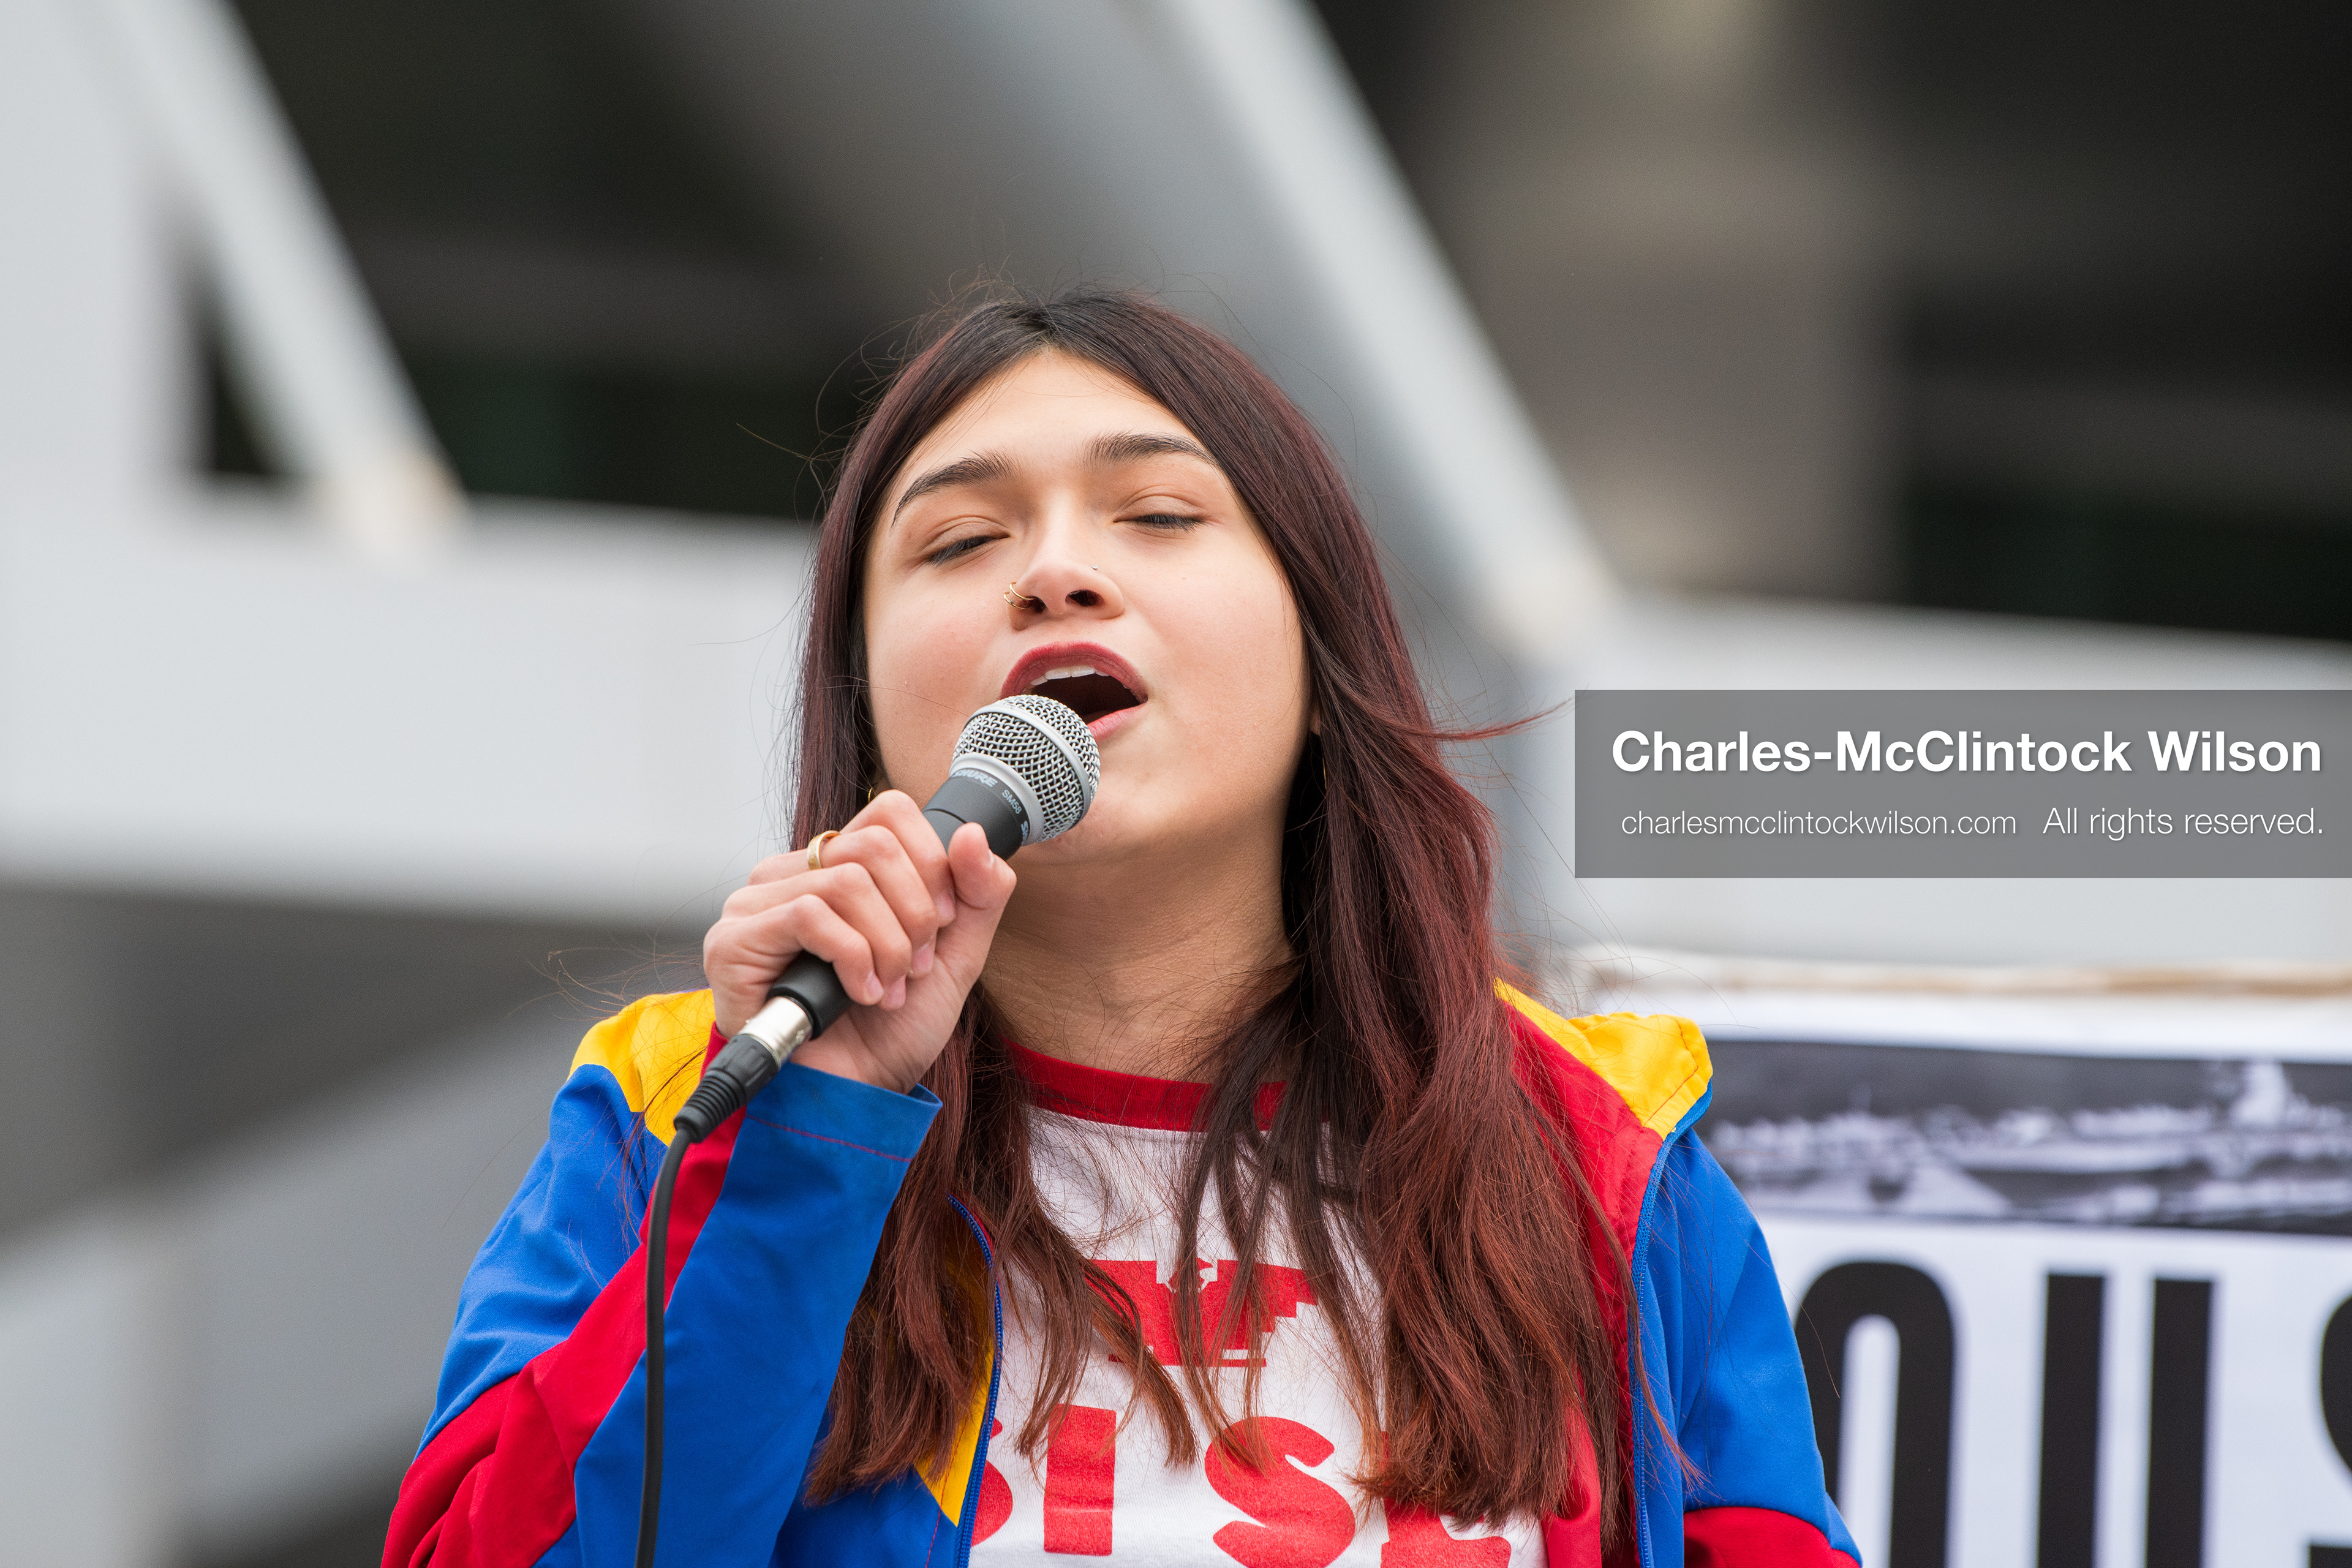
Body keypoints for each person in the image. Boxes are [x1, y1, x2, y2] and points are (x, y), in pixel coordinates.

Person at [383, 290, 1857, 1568]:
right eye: (959, 540)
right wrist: (810, 1129)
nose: (1055, 574)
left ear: (1315, 636)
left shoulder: (1592, 1149)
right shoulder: (687, 1101)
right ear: (865, 703)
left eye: (1159, 515)